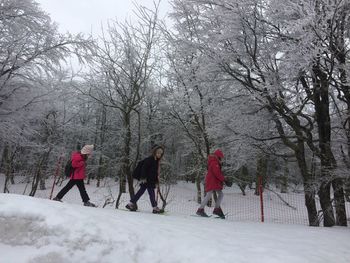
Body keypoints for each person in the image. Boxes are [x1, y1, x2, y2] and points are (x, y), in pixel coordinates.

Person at [126, 145, 165, 214]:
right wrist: (143, 178)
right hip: (147, 180)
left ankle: (130, 204)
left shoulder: (156, 161)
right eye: (158, 153)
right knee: (151, 194)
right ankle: (155, 207)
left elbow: (155, 173)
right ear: (154, 152)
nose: (159, 154)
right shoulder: (150, 159)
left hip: (150, 180)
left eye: (161, 153)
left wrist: (156, 181)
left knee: (140, 192)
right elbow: (144, 168)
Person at [196, 149, 226, 218]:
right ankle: (201, 209)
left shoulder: (214, 162)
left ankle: (216, 209)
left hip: (214, 181)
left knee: (220, 194)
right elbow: (217, 173)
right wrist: (224, 179)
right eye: (220, 157)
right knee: (209, 194)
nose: (221, 159)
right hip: (212, 181)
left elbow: (217, 173)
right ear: (218, 156)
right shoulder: (214, 162)